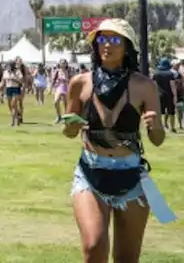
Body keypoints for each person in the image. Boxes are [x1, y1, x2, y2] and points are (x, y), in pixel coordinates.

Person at [65, 19, 171, 262]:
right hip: (90, 173)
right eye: (102, 39)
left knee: (127, 258)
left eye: (114, 40)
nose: (106, 45)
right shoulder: (80, 83)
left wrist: (155, 125)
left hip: (131, 176)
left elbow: (157, 140)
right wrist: (71, 127)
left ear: (127, 46)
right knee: (94, 247)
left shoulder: (145, 86)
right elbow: (70, 133)